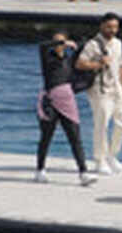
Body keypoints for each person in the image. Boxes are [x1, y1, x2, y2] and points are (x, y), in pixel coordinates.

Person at [35, 31, 96, 186]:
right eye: (56, 42)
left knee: (75, 138)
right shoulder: (47, 57)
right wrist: (61, 43)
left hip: (67, 101)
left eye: (62, 42)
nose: (60, 45)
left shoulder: (69, 59)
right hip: (50, 100)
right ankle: (40, 170)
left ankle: (83, 173)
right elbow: (42, 45)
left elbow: (83, 46)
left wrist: (83, 43)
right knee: (46, 137)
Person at [75, 12, 122, 176]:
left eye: (115, 27)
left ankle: (112, 155)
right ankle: (100, 160)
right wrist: (98, 63)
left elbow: (120, 65)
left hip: (117, 89)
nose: (112, 30)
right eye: (109, 27)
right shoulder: (93, 44)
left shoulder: (118, 44)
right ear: (102, 26)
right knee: (102, 125)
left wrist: (121, 86)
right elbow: (80, 63)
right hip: (99, 90)